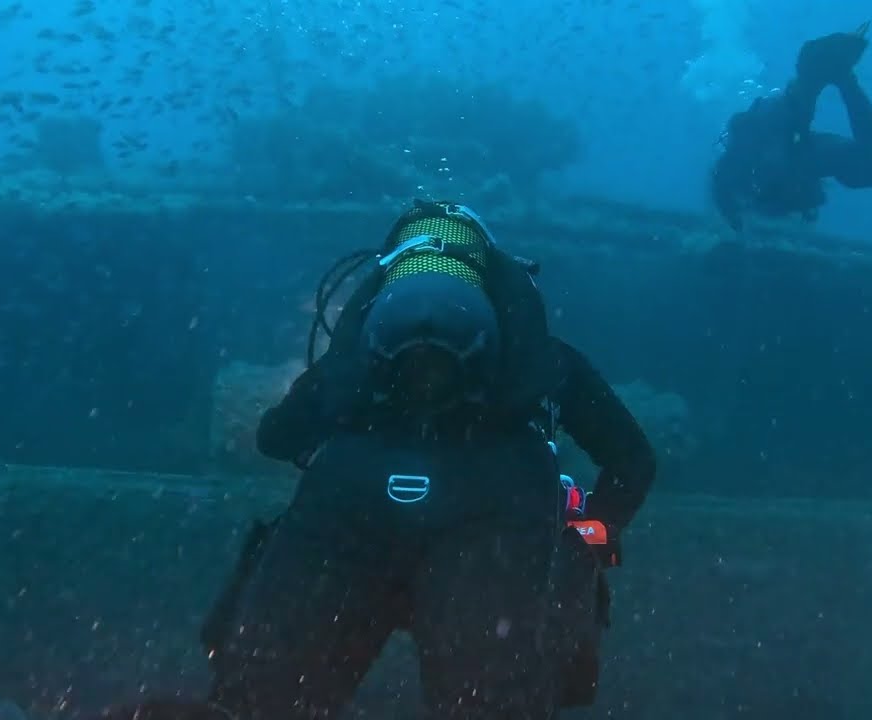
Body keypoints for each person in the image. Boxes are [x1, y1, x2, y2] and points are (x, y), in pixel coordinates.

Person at [101, 199, 656, 719]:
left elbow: (275, 438)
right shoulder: (542, 363)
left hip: (351, 523)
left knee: (267, 696)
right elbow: (633, 462)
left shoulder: (352, 365)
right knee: (488, 698)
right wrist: (587, 537)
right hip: (493, 534)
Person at [711, 23, 872, 231]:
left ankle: (817, 75)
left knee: (871, 168)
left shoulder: (768, 158)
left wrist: (844, 81)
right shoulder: (739, 173)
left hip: (787, 147)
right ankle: (818, 75)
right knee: (871, 167)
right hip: (786, 150)